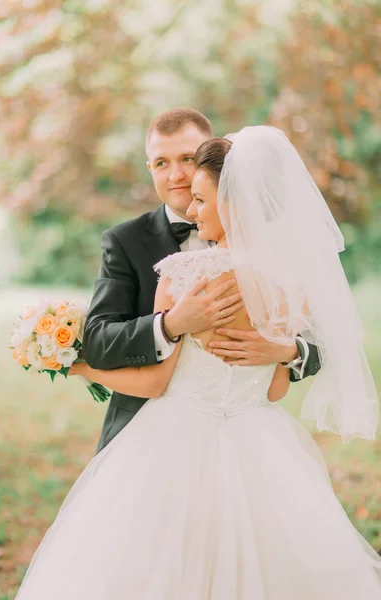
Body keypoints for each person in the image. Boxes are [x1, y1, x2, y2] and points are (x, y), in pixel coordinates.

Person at [16, 126, 381, 599]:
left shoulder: (185, 273)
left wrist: (80, 368)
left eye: (202, 197)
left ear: (231, 200)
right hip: (262, 442)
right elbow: (274, 391)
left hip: (172, 437)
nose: (189, 201)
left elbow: (153, 384)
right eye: (161, 163)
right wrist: (188, 331)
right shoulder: (290, 281)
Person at [83, 108, 320, 453]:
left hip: (245, 436)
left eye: (188, 158)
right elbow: (97, 338)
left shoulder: (276, 251)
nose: (176, 174)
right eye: (161, 163)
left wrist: (288, 351)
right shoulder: (125, 241)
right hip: (143, 435)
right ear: (149, 168)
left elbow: (321, 340)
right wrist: (169, 325)